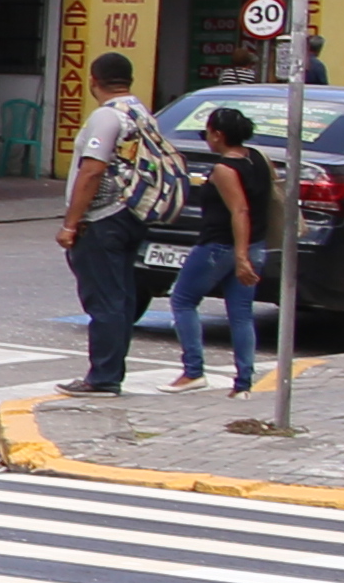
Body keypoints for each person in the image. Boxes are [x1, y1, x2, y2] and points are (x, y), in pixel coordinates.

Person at [50, 49, 177, 395]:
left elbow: (91, 171)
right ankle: (111, 371)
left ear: (93, 80)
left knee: (104, 300)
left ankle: (103, 377)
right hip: (131, 215)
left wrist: (70, 224)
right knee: (119, 298)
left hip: (103, 218)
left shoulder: (107, 118)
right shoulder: (141, 113)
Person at [169, 103, 269, 393]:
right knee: (241, 313)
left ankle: (193, 370)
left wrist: (240, 257)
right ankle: (244, 381)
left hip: (221, 246)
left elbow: (239, 211)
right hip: (255, 244)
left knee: (183, 299)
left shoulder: (225, 169)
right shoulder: (258, 159)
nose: (207, 139)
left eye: (208, 134)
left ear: (219, 135)